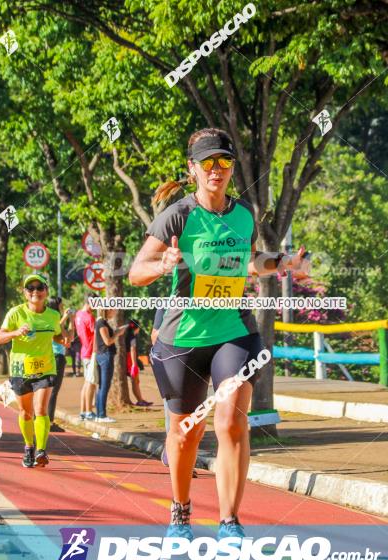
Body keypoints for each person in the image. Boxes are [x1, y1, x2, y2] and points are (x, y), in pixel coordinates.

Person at [129, 128, 310, 539]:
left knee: (230, 421)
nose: (216, 170)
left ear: (232, 168)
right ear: (193, 169)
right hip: (184, 336)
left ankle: (230, 520)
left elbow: (244, 263)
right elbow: (137, 271)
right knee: (186, 432)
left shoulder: (244, 215)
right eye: (208, 163)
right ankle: (180, 511)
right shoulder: (177, 215)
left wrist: (283, 262)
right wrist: (164, 265)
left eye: (224, 162)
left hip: (234, 328)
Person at [0, 273, 63, 468]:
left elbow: (57, 336)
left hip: (46, 367)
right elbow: (0, 338)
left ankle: (41, 450)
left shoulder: (53, 315)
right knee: (26, 412)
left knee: (41, 409)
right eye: (30, 288)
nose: (35, 291)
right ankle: (28, 447)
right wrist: (15, 332)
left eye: (39, 288)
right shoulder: (16, 313)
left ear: (46, 291)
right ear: (25, 293)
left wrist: (64, 338)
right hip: (20, 369)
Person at [94, 308, 128, 423]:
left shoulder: (103, 322)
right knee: (104, 386)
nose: (114, 312)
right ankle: (102, 415)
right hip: (105, 356)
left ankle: (99, 414)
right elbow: (107, 341)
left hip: (102, 355)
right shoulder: (101, 323)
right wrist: (117, 334)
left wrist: (117, 330)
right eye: (112, 309)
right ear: (107, 310)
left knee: (101, 386)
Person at [46, 297, 73, 430]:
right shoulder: (51, 319)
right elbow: (53, 330)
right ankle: (49, 422)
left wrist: (71, 320)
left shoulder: (57, 320)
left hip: (59, 356)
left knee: (51, 390)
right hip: (54, 356)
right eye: (61, 305)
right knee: (53, 390)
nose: (63, 308)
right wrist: (64, 317)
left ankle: (46, 419)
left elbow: (69, 336)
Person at [74, 296, 97, 420]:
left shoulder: (79, 314)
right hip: (90, 352)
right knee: (91, 383)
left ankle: (83, 411)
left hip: (84, 351)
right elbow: (96, 336)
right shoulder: (89, 317)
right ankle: (88, 411)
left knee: (86, 383)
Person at [126, 320, 152, 407]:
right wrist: (134, 364)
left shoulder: (127, 335)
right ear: (136, 328)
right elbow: (132, 349)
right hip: (131, 361)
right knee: (135, 381)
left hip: (128, 360)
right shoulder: (132, 337)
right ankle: (140, 400)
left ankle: (140, 399)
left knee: (135, 381)